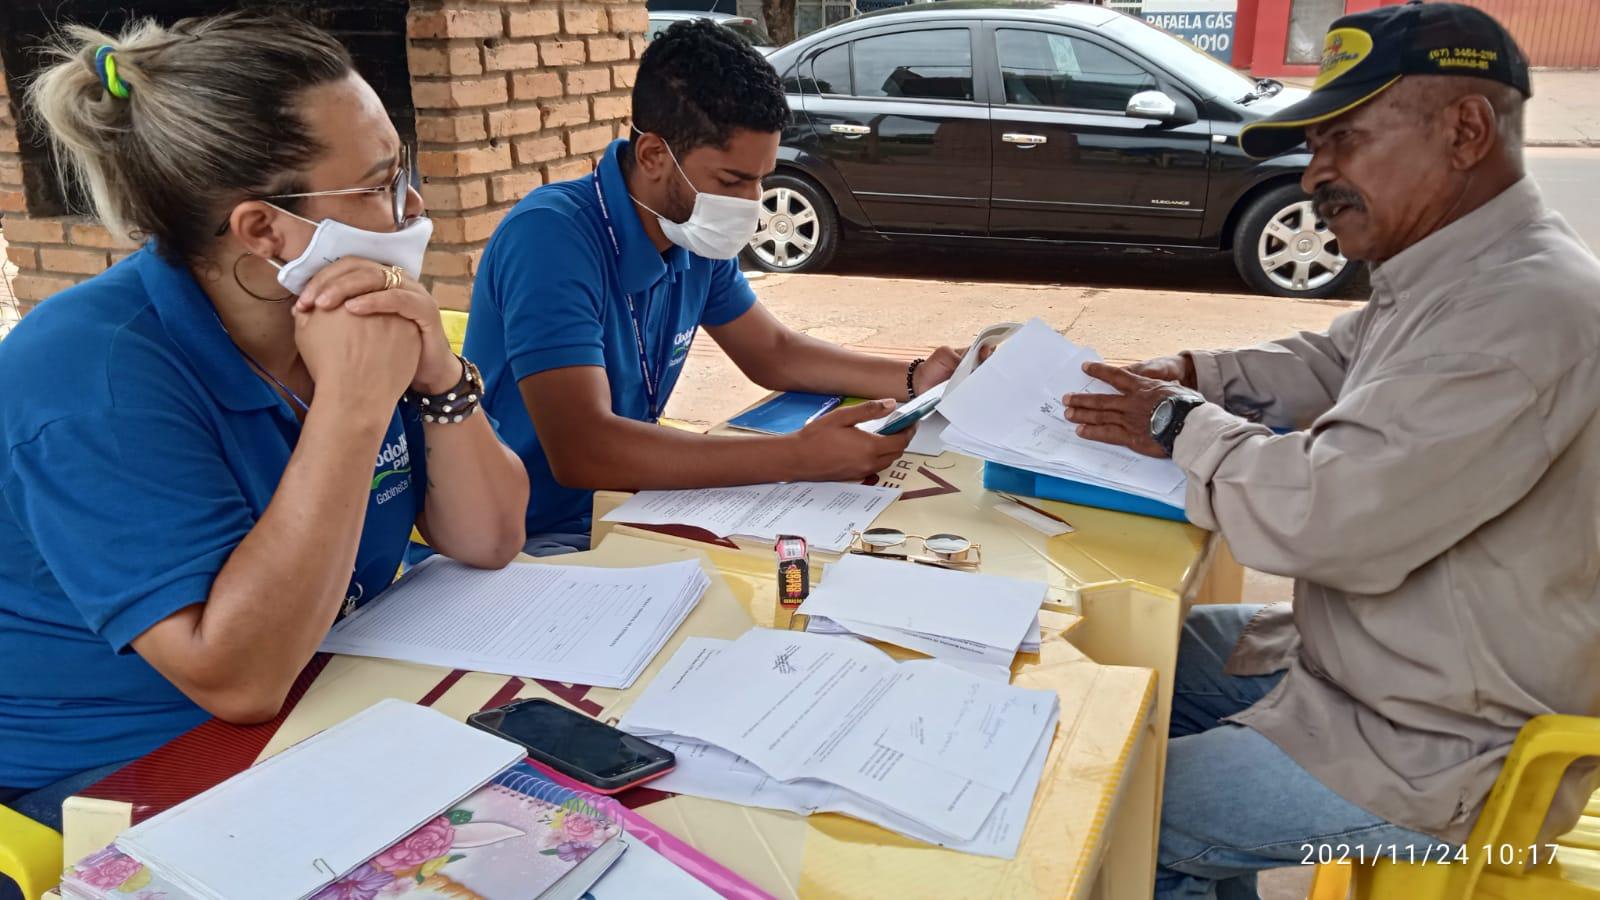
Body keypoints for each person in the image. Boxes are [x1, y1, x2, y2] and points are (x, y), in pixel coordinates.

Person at [1060, 4, 1600, 897]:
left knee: (1114, 814)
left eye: (1344, 140)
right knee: (1150, 654)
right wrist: (1194, 371)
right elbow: (1338, 359)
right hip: (1385, 669)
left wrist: (1177, 423)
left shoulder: (1519, 312)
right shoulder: (1468, 267)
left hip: (1440, 747)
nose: (1316, 176)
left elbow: (1321, 515)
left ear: (1465, 130)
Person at [0, 13, 528, 835]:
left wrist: (439, 379)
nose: (412, 202)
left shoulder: (347, 312)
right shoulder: (88, 377)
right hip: (128, 765)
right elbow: (237, 682)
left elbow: (490, 538)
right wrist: (352, 408)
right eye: (380, 182)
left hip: (338, 687)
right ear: (264, 230)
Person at [464, 20, 963, 554]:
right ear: (655, 155)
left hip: (631, 508)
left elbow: (773, 352)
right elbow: (584, 449)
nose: (753, 201)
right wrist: (796, 457)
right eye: (732, 181)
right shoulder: (550, 237)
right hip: (524, 539)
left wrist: (914, 380)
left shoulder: (688, 232)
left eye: (761, 177)